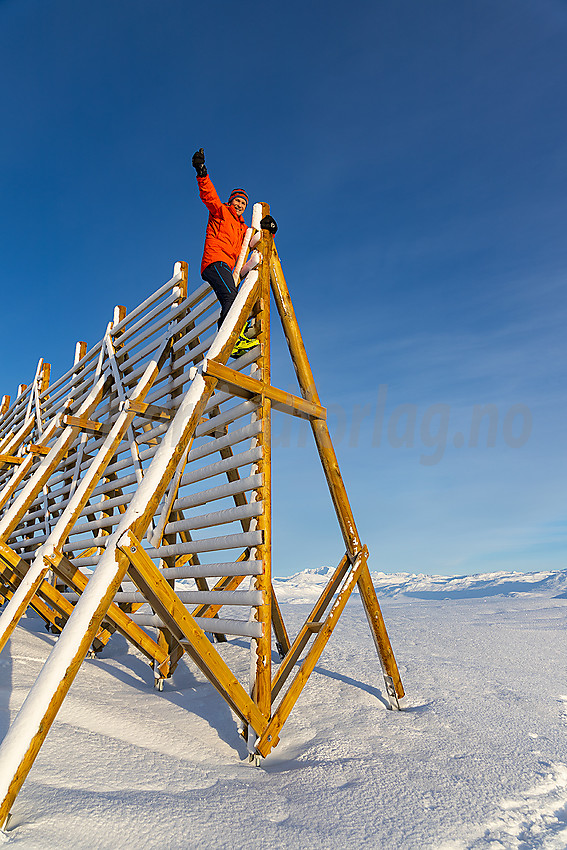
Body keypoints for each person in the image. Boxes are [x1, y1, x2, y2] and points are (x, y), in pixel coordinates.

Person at [192, 148, 277, 356]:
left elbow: (254, 244)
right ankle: (233, 338)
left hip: (226, 267)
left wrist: (270, 231)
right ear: (231, 201)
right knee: (231, 295)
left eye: (243, 203)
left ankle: (229, 338)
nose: (240, 205)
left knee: (233, 297)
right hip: (214, 262)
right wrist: (202, 172)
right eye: (237, 201)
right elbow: (209, 195)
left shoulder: (243, 229)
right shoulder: (220, 211)